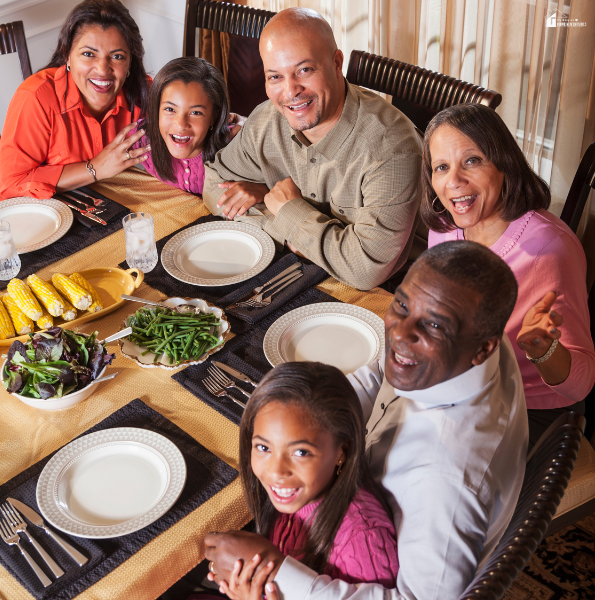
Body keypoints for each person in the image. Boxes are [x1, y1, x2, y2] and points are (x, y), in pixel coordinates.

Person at [204, 240, 528, 600]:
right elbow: (381, 373)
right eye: (402, 304)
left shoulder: (445, 482)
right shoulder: (467, 346)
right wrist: (312, 413)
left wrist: (275, 571)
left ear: (484, 346)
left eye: (434, 325)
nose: (400, 334)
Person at [202, 8, 421, 291]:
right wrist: (285, 226)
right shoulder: (266, 120)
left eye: (304, 70)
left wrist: (291, 214)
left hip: (389, 294)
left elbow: (365, 270)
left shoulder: (391, 150)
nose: (291, 91)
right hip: (292, 274)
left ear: (336, 62)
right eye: (275, 77)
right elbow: (213, 185)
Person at [421, 103, 595, 448]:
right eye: (441, 167)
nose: (453, 181)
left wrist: (542, 350)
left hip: (524, 407)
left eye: (472, 160)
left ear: (503, 163)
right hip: (460, 384)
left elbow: (581, 385)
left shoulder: (550, 250)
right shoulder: (444, 225)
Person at [206, 362, 398, 599]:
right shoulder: (296, 496)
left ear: (342, 451)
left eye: (301, 452)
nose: (276, 471)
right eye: (263, 447)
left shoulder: (362, 540)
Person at [0, 0, 150, 202]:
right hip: (25, 212)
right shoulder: (35, 97)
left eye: (117, 56)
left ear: (131, 61)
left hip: (104, 205)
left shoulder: (144, 93)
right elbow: (12, 183)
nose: (103, 69)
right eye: (88, 54)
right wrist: (95, 169)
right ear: (67, 55)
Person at [130, 57, 233, 196]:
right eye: (170, 109)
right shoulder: (143, 139)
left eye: (196, 113)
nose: (181, 124)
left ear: (213, 117)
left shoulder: (233, 149)